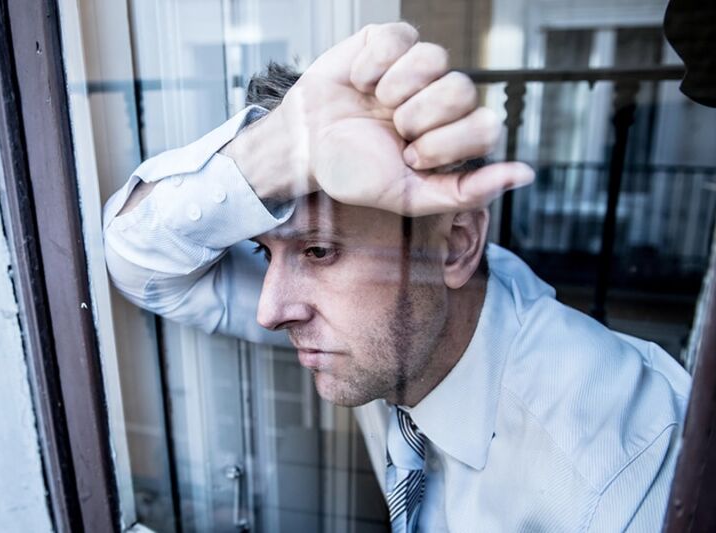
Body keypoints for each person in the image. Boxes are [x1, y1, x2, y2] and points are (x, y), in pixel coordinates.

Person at [103, 22, 690, 532]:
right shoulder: (405, 324)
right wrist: (276, 151)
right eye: (264, 254)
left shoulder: (617, 478)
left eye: (319, 252)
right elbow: (143, 262)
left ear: (456, 246)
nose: (271, 311)